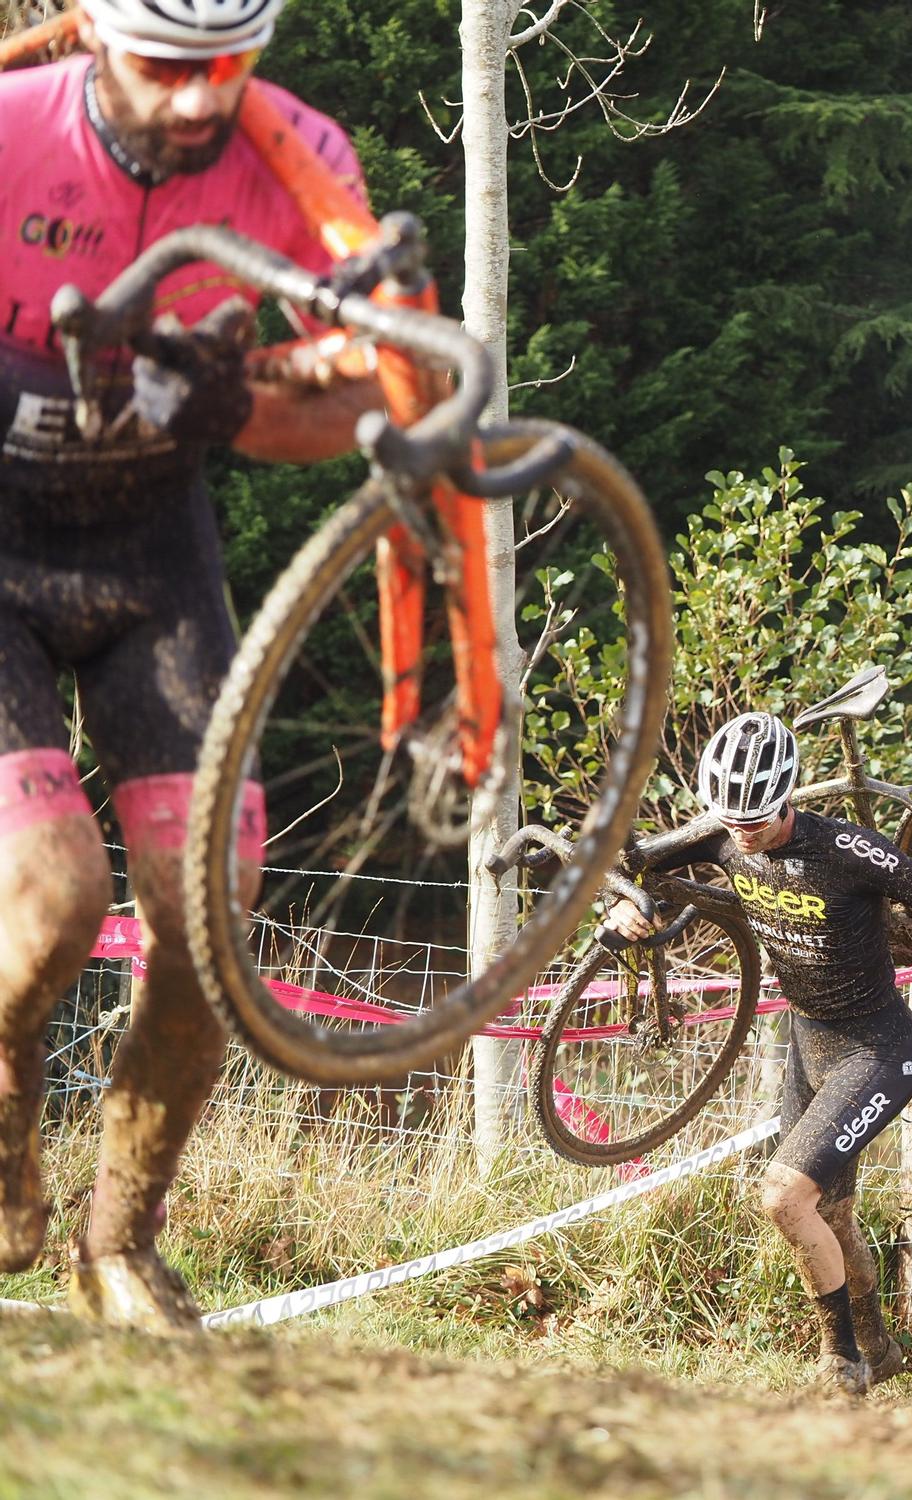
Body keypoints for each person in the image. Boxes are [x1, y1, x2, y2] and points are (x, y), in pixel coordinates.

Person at [0, 0, 386, 1331]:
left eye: (225, 67)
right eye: (163, 66)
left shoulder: (298, 159)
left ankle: (122, 1242)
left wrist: (249, 406)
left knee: (208, 925)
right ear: (94, 37)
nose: (190, 100)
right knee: (50, 897)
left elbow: (363, 401)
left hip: (155, 559)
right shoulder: (9, 136)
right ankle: (3, 1102)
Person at [604, 711, 912, 1395]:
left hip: (878, 1048)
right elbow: (640, 866)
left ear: (787, 797)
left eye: (756, 819)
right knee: (827, 1214)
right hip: (807, 1043)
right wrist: (626, 910)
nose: (742, 834)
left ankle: (840, 1363)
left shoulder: (843, 847)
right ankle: (876, 1346)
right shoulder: (723, 834)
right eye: (731, 821)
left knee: (782, 1198)